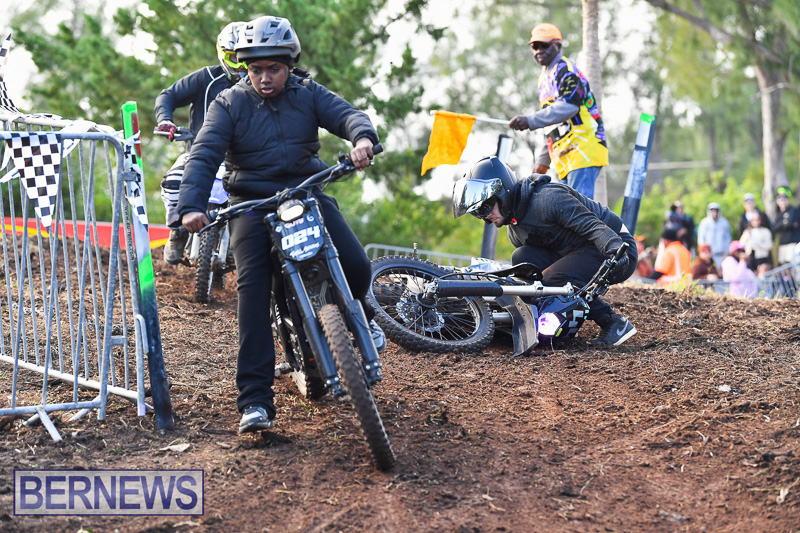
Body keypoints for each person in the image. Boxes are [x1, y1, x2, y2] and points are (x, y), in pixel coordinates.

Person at [177, 16, 384, 434]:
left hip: (307, 190)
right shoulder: (228, 104)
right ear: (245, 68)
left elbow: (347, 115)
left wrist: (362, 137)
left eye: (273, 69)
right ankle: (255, 401)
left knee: (358, 266)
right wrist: (190, 207)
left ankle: (358, 316)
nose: (265, 78)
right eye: (256, 70)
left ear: (289, 65)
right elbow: (203, 156)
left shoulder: (307, 94)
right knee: (251, 294)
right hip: (252, 204)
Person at [452, 156, 637, 346]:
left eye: (487, 207)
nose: (485, 216)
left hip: (616, 247)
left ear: (502, 193)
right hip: (579, 251)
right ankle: (580, 318)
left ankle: (613, 322)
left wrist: (615, 250)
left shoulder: (548, 199)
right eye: (478, 212)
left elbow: (593, 227)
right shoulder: (514, 231)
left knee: (552, 279)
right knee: (523, 260)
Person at [155, 21, 248, 264]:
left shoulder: (261, 85)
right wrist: (166, 120)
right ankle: (177, 230)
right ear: (222, 53)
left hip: (245, 159)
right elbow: (169, 95)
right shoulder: (207, 78)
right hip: (200, 154)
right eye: (233, 58)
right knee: (173, 181)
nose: (240, 67)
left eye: (245, 59)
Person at [508, 23, 608, 199]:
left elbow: (569, 106)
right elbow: (551, 121)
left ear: (558, 46)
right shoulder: (543, 80)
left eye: (544, 45)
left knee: (578, 213)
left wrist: (530, 120)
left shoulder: (565, 69)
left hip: (582, 149)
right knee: (567, 215)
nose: (539, 50)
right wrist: (542, 161)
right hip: (564, 157)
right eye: (535, 46)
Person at [696, 202, 731, 267]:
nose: (714, 213)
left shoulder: (724, 223)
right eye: (712, 211)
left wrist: (726, 252)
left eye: (716, 211)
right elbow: (701, 238)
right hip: (708, 255)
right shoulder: (704, 223)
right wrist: (703, 252)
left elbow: (727, 238)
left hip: (721, 254)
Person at [772, 188, 800, 265]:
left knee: (793, 264)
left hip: (793, 242)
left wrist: (784, 224)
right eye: (780, 200)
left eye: (784, 199)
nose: (782, 202)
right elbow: (774, 227)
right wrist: (784, 222)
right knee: (784, 266)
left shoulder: (793, 210)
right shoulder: (778, 214)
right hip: (783, 243)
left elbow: (790, 223)